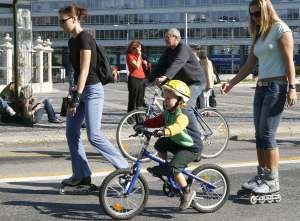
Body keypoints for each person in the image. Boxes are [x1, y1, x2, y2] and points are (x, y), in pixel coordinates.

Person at [220, 0, 297, 196]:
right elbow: (248, 65)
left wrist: (292, 87)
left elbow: (289, 61)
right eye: (252, 14)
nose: (255, 17)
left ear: (266, 10)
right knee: (258, 136)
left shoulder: (281, 29)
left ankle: (273, 180)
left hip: (277, 86)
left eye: (257, 13)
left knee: (267, 135)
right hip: (261, 87)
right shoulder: (259, 34)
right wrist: (231, 83)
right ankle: (262, 175)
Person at [58, 5, 129, 186]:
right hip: (79, 90)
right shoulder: (72, 41)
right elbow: (74, 72)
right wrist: (71, 91)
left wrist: (76, 98)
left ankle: (124, 169)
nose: (60, 25)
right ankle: (81, 175)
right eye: (59, 21)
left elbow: (84, 70)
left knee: (94, 135)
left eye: (63, 20)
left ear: (74, 19)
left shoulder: (85, 39)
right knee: (71, 133)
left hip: (92, 91)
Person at [137, 80, 202, 210]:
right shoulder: (168, 112)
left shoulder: (183, 114)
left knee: (174, 168)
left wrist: (165, 131)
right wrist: (143, 124)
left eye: (168, 98)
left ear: (180, 99)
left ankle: (187, 191)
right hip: (178, 142)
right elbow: (158, 120)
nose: (165, 101)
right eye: (164, 97)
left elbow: (178, 126)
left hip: (191, 147)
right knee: (160, 144)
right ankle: (164, 167)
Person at [148, 28, 206, 108]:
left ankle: (192, 120)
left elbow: (178, 62)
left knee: (185, 106)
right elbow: (159, 66)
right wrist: (147, 80)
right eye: (165, 37)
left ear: (176, 38)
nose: (165, 40)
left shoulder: (183, 48)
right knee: (170, 105)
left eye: (168, 37)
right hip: (182, 83)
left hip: (195, 82)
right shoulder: (168, 51)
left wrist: (165, 77)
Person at [126, 40, 147, 113]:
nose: (140, 50)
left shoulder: (139, 56)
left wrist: (145, 63)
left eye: (140, 48)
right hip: (134, 78)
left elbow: (142, 67)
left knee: (140, 99)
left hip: (142, 78)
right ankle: (130, 118)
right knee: (133, 99)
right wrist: (139, 56)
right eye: (138, 48)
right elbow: (137, 66)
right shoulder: (129, 56)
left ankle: (139, 116)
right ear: (133, 48)